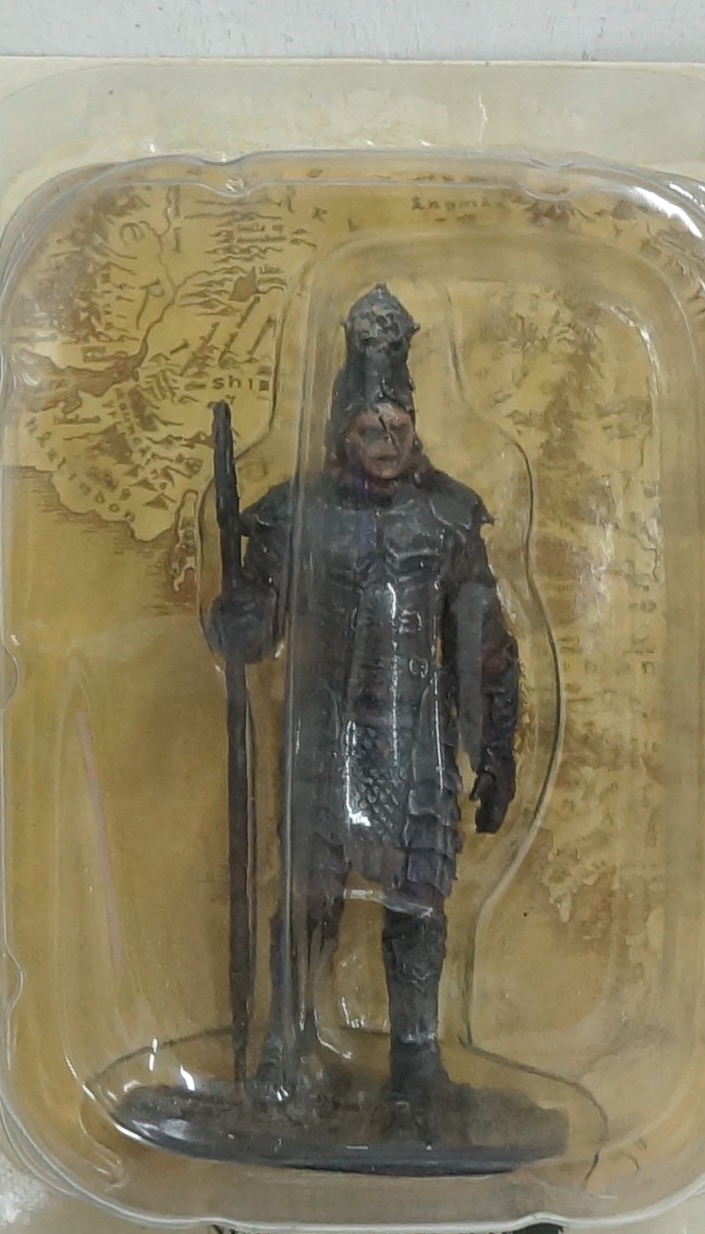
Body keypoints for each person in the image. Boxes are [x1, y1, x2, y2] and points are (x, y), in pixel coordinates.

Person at [207, 284, 519, 1108]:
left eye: (395, 428)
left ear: (413, 428)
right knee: (308, 892)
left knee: (417, 897)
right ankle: (287, 1042)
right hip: (322, 735)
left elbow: (484, 646)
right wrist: (238, 615)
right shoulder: (296, 516)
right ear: (342, 430)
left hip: (415, 738)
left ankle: (416, 1060)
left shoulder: (446, 518)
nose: (384, 441)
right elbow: (257, 625)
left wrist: (494, 754)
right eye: (369, 428)